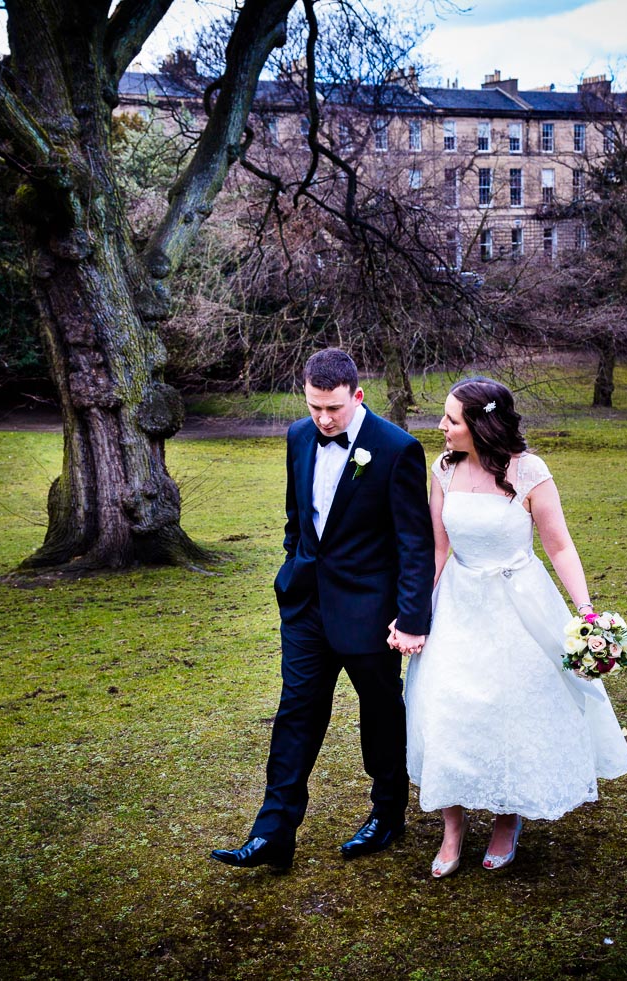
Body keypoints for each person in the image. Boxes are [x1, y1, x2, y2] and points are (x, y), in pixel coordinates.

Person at [398, 377, 627, 878]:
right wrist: (414, 611)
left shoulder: (529, 471)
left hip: (519, 603)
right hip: (459, 601)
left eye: (451, 420)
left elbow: (559, 545)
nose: (441, 426)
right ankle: (452, 825)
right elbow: (437, 549)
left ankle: (508, 819)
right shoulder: (443, 468)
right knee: (446, 707)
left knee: (511, 709)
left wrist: (586, 612)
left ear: (480, 425)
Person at [211, 348, 435, 872]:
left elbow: (414, 543)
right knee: (296, 711)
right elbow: (298, 517)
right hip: (306, 606)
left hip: (370, 612)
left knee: (380, 712)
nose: (324, 419)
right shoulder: (297, 436)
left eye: (333, 408)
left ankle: (388, 813)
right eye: (315, 407)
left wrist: (411, 617)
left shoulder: (397, 449)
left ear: (357, 396)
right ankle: (273, 831)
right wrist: (294, 566)